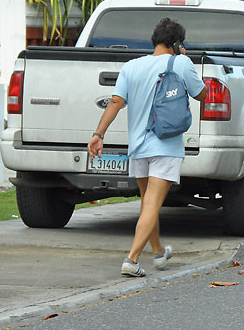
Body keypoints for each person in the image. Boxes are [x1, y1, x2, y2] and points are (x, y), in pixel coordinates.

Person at [87, 18, 207, 277]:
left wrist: (99, 134)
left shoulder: (132, 66)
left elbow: (116, 102)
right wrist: (185, 59)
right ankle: (131, 259)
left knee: (147, 204)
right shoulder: (180, 62)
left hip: (139, 148)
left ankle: (158, 251)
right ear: (177, 43)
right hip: (165, 147)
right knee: (152, 205)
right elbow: (202, 94)